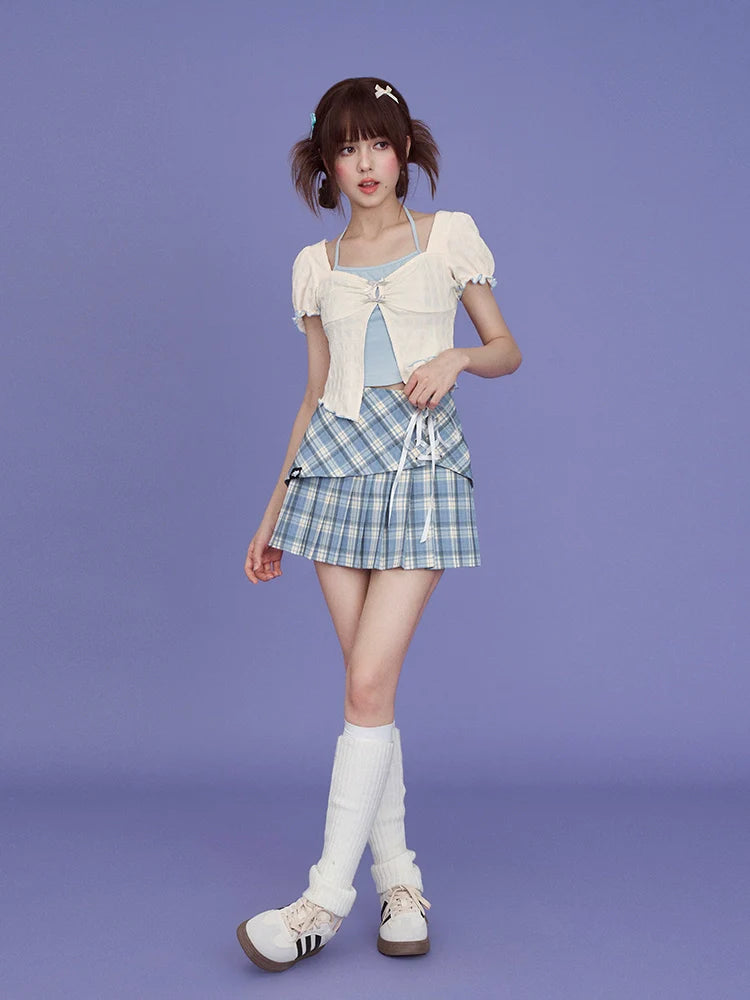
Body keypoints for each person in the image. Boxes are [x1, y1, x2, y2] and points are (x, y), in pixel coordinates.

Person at [236, 77, 522, 973]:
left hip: (419, 468)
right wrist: (273, 512)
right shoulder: (314, 265)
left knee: (365, 684)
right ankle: (401, 882)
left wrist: (458, 358)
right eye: (347, 147)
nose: (365, 163)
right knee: (372, 691)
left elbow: (507, 349)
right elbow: (313, 394)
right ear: (326, 162)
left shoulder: (447, 236)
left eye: (380, 144)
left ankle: (323, 901)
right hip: (331, 475)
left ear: (405, 152)